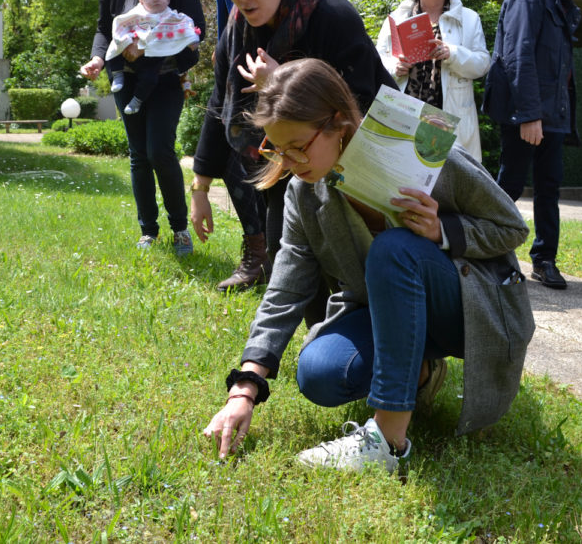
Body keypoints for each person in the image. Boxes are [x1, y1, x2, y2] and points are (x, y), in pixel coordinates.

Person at [202, 59, 534, 473]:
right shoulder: (304, 194)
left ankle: (389, 441)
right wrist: (244, 389)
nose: (287, 162)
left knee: (394, 249)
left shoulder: (427, 150)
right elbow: (285, 290)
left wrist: (443, 231)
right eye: (276, 148)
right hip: (388, 314)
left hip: (466, 310)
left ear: (338, 123)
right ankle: (418, 374)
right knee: (320, 372)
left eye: (298, 147)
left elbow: (511, 226)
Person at [189, 0, 396, 293]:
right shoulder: (237, 31)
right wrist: (200, 187)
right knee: (292, 265)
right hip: (287, 165)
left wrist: (280, 85)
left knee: (358, 273)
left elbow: (358, 107)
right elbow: (221, 103)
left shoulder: (332, 17)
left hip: (358, 163)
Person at [79, 0, 206, 255]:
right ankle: (148, 231)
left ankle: (180, 228)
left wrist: (149, 48)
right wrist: (97, 57)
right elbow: (105, 27)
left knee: (160, 150)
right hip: (127, 80)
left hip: (167, 79)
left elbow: (198, 29)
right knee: (138, 155)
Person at [483, 0, 582, 290]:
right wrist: (529, 115)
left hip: (553, 113)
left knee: (549, 188)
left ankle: (544, 260)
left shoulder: (562, 4)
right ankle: (487, 254)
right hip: (528, 112)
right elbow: (518, 55)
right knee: (510, 186)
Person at [187, 0, 266, 291]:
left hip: (256, 52)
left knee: (249, 154)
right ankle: (259, 251)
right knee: (237, 154)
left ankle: (264, 255)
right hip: (230, 52)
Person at [375, 0, 490, 161]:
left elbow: (482, 63)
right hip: (404, 112)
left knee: (439, 180)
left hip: (443, 118)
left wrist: (452, 53)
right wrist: (394, 67)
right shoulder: (397, 17)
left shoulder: (468, 19)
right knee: (400, 172)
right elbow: (378, 59)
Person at [103, 0, 201, 116]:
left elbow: (186, 27)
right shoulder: (137, 14)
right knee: (115, 46)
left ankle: (136, 101)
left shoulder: (172, 17)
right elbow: (120, 24)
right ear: (141, 1)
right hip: (129, 54)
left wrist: (191, 40)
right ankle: (117, 75)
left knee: (150, 79)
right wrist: (126, 39)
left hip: (153, 60)